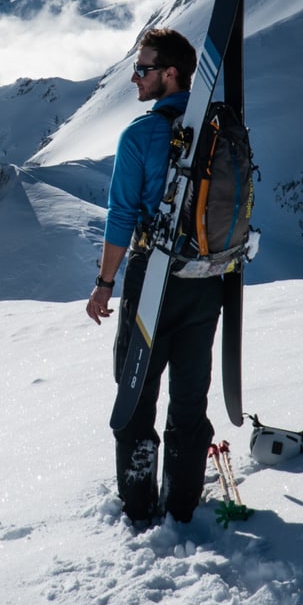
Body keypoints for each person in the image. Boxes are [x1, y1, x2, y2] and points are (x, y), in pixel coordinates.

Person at [85, 26, 224, 527]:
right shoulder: (218, 125)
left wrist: (104, 285)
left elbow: (121, 216)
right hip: (208, 282)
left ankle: (140, 508)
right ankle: (183, 508)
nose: (134, 79)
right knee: (190, 399)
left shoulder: (142, 134)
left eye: (142, 70)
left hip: (153, 282)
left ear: (170, 74)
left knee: (136, 394)